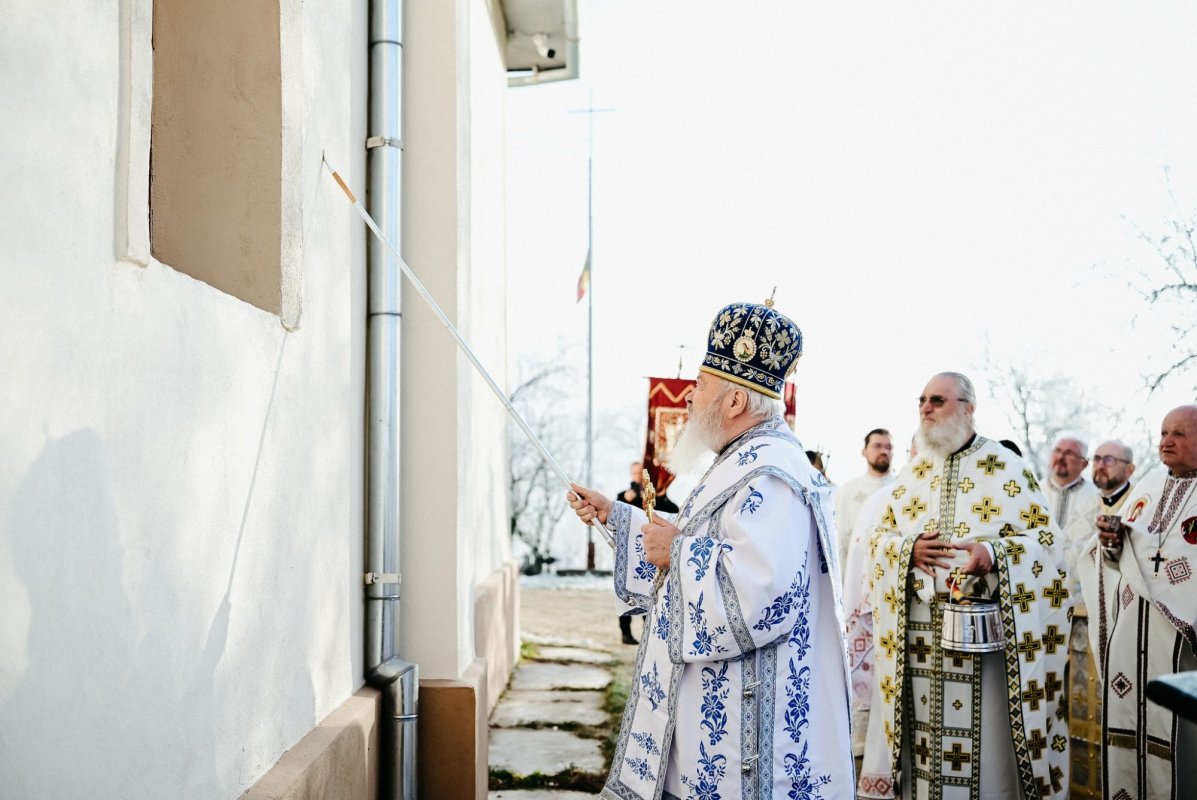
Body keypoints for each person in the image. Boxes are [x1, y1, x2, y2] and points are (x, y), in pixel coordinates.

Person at [567, 299, 853, 799]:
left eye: (700, 387)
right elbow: (708, 536)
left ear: (735, 402)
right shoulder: (743, 459)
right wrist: (618, 516)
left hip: (750, 740)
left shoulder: (771, 472)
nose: (690, 401)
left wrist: (677, 552)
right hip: (715, 716)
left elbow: (761, 592)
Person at [867, 371, 1072, 799]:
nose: (925, 407)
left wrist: (994, 555)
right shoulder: (913, 473)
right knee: (925, 756)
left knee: (985, 759)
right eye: (922, 399)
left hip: (986, 644)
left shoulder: (1005, 465)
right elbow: (878, 539)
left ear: (968, 408)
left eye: (937, 400)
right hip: (920, 642)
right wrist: (908, 552)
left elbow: (1047, 543)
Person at [1077, 405, 1197, 800]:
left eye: (1179, 433)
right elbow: (1114, 559)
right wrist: (1111, 543)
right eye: (1164, 432)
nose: (1166, 441)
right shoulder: (1147, 486)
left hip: (1180, 646)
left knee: (1182, 748)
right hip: (1131, 638)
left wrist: (1143, 563)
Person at [1062, 440, 1136, 799]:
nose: (1100, 465)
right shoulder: (1083, 506)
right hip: (1076, 622)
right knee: (1076, 707)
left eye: (1109, 459)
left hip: (1123, 625)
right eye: (1097, 459)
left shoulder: (1140, 506)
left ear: (1129, 468)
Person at [614, 462, 678, 645]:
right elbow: (619, 512)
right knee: (626, 592)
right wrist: (630, 496)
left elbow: (668, 514)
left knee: (650, 592)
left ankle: (649, 630)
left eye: (639, 473)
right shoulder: (624, 496)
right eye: (633, 473)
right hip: (629, 552)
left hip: (652, 553)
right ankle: (625, 633)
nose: (636, 477)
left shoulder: (659, 499)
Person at [835, 428, 896, 572]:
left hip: (893, 569)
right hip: (857, 570)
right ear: (864, 451)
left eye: (889, 447)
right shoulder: (848, 491)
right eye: (877, 446)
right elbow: (841, 542)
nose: (884, 451)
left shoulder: (903, 487)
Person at [1044, 436, 1100, 575]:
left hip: (1079, 584)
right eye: (1057, 451)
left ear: (1084, 464)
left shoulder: (1098, 499)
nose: (1061, 457)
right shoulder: (1033, 492)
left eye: (1069, 453)